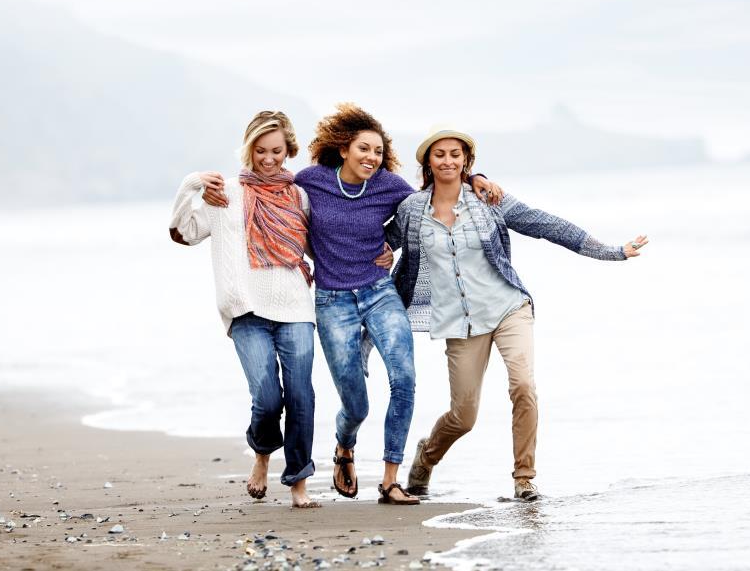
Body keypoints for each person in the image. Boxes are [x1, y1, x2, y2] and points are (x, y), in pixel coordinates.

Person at [205, 104, 502, 506]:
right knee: (356, 402)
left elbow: (432, 199)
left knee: (404, 379)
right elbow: (270, 186)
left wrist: (475, 179)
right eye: (364, 148)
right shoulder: (311, 181)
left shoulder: (389, 186)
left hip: (380, 292)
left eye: (378, 152)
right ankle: (345, 446)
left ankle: (391, 479)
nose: (371, 157)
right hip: (332, 302)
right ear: (344, 149)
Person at [386, 127, 648, 501]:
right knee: (464, 417)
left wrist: (613, 251)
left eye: (456, 154)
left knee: (523, 386)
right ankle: (426, 457)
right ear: (428, 161)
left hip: (508, 306)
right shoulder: (412, 210)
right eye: (439, 154)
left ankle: (524, 478)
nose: (448, 161)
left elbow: (545, 225)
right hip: (459, 323)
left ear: (467, 161)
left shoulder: (488, 199)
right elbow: (381, 242)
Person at [167, 110, 321, 508]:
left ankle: (299, 482)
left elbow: (318, 247)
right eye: (260, 150)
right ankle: (262, 456)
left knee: (301, 394)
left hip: (295, 306)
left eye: (276, 151)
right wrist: (191, 185)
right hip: (245, 309)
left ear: (288, 151)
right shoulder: (225, 192)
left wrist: (380, 254)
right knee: (268, 397)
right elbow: (183, 233)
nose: (268, 159)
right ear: (248, 148)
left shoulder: (299, 196)